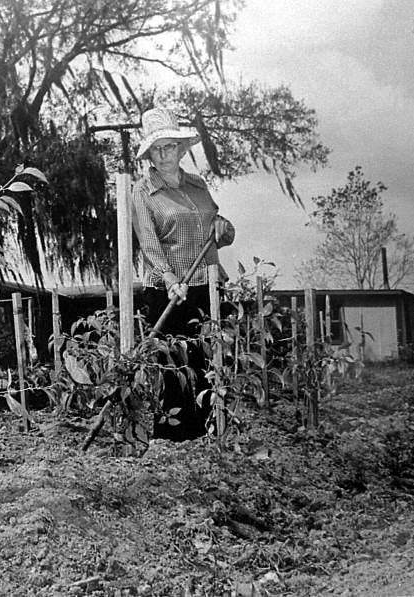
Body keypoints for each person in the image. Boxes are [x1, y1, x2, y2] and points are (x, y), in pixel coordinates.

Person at [132, 107, 235, 441]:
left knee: (208, 363)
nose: (164, 155)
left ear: (181, 149)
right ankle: (172, 441)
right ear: (149, 154)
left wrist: (223, 227)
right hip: (168, 291)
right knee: (176, 367)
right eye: (157, 149)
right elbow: (148, 243)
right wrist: (169, 278)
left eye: (170, 147)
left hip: (206, 285)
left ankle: (208, 435)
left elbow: (220, 230)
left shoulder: (198, 186)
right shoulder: (144, 191)